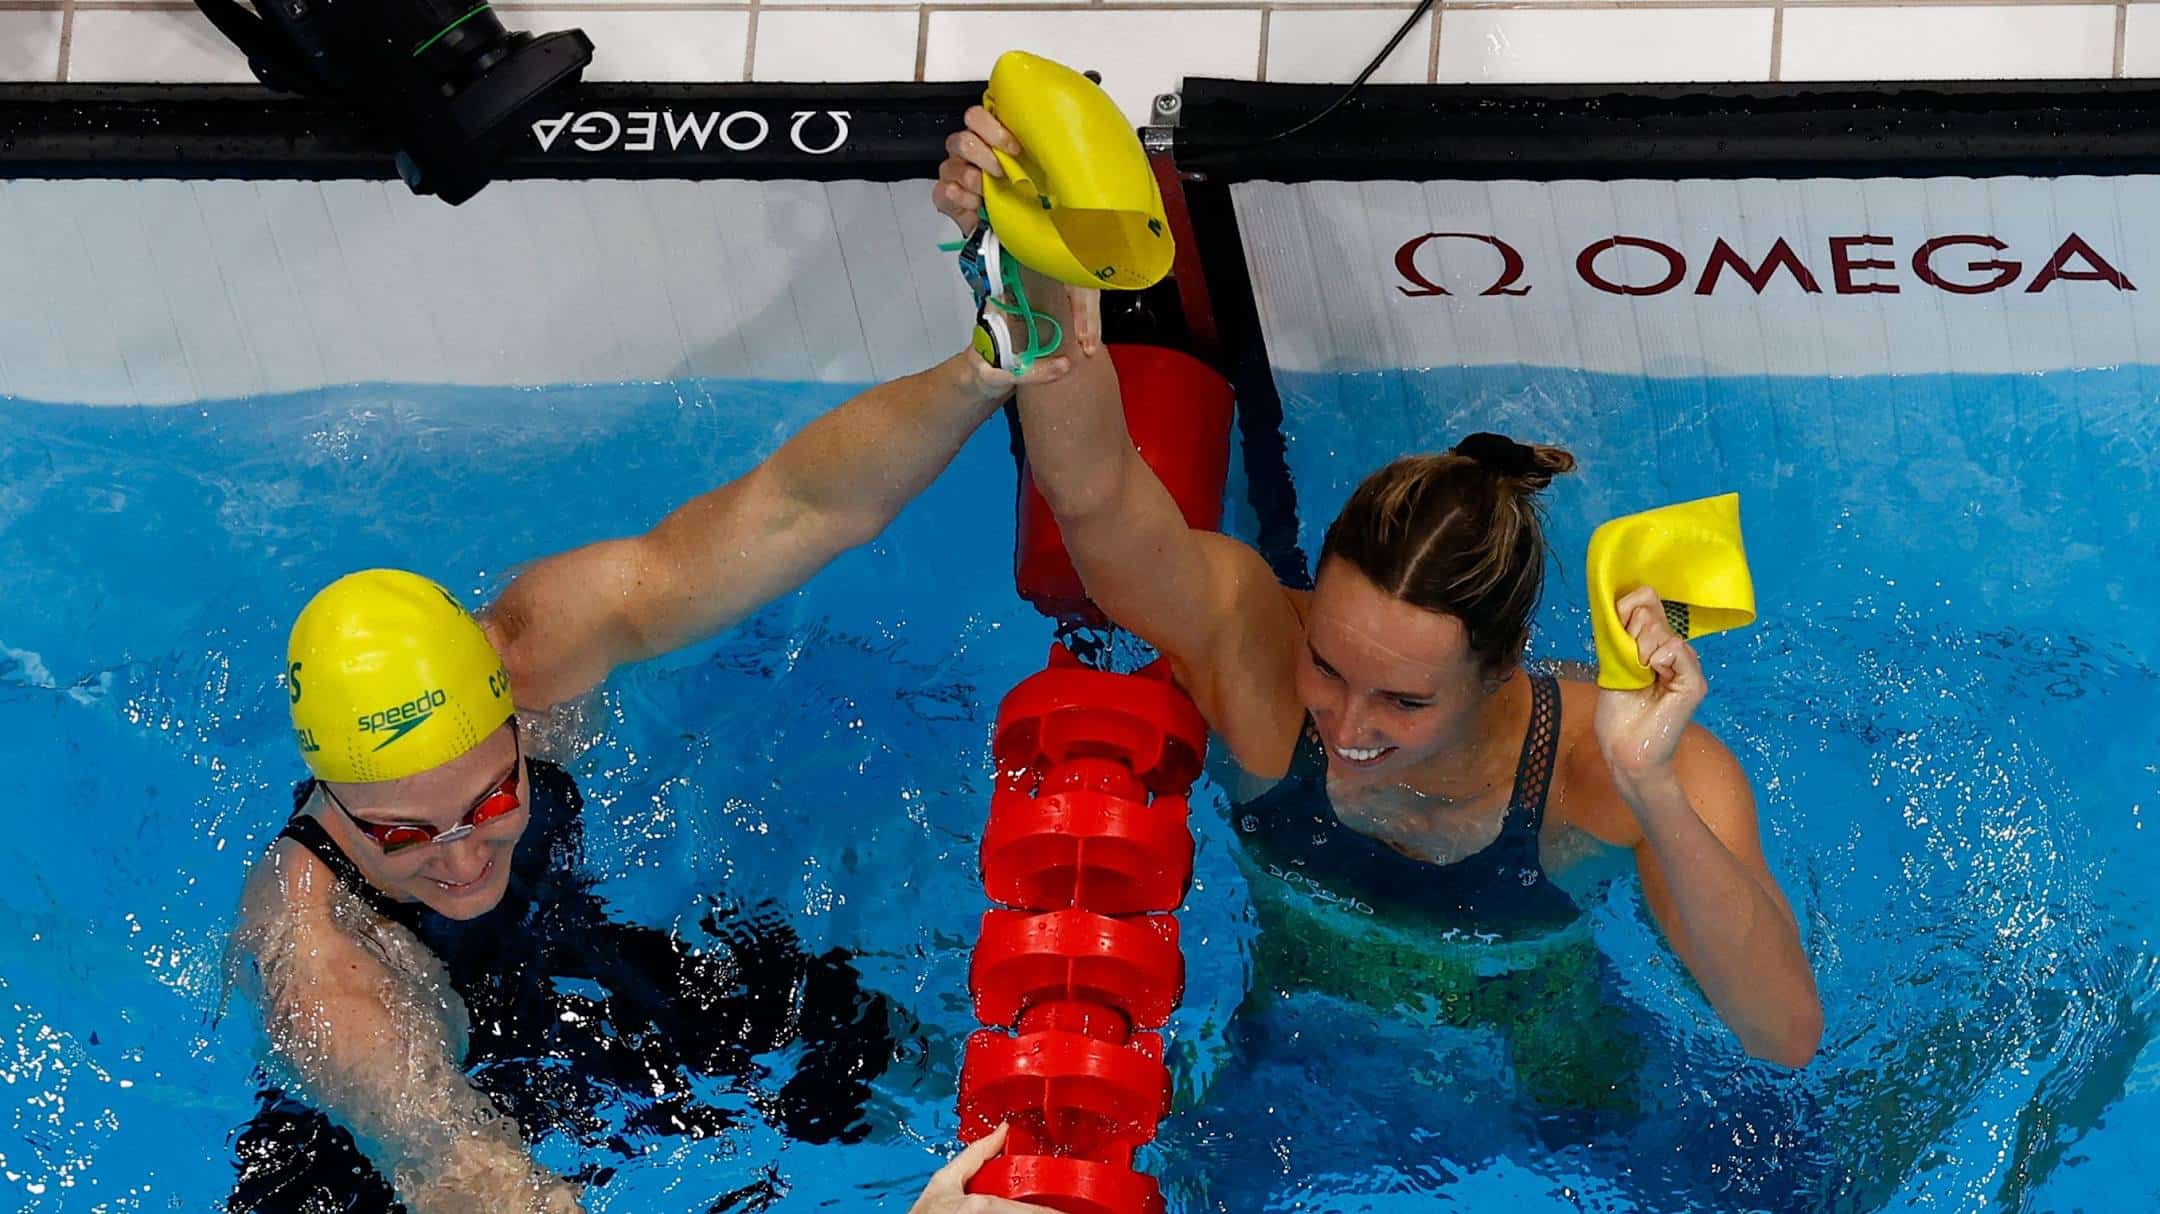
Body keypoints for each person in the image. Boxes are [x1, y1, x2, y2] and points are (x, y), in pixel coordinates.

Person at [933, 109, 1823, 1089]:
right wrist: (1026, 275)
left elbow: (1781, 1032)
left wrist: (1654, 790)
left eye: (1404, 699)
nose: (1348, 722)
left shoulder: (1608, 768)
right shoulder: (1254, 647)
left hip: (1548, 1078)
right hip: (1292, 1065)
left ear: (1502, 666)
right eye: (1329, 661)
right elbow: (1096, 502)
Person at [225, 346, 1073, 1214]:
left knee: (835, 1027)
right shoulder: (328, 968)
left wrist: (985, 367)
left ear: (515, 719)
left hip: (565, 976)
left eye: (493, 803)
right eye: (405, 835)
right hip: (383, 1164)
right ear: (336, 800)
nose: (465, 861)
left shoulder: (538, 657)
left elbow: (795, 509)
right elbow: (478, 1183)